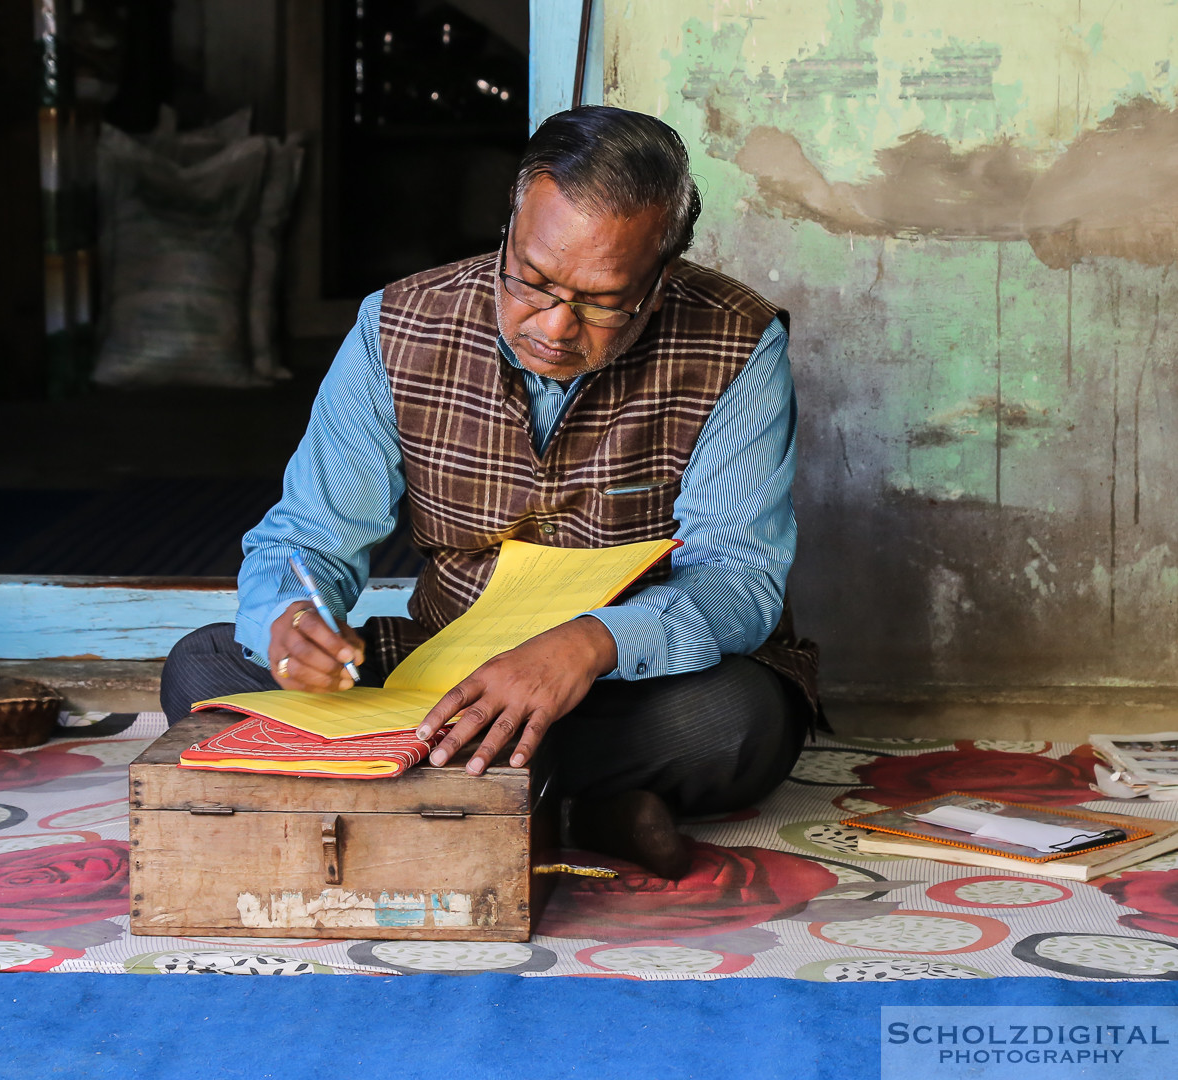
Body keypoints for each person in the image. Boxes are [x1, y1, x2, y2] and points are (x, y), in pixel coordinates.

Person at [160, 106, 818, 879]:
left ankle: (433, 793)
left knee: (737, 720)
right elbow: (309, 535)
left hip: (615, 686)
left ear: (660, 279)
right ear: (509, 227)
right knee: (202, 669)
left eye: (601, 300)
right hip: (441, 670)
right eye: (531, 279)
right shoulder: (396, 326)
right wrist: (292, 619)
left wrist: (589, 643)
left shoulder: (735, 342)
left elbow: (738, 578)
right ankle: (567, 809)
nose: (553, 325)